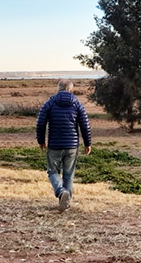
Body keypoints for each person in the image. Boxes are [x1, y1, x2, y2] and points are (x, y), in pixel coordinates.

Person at [35, 79, 92, 211]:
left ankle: (61, 192)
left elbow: (40, 123)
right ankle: (65, 203)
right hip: (72, 145)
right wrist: (87, 143)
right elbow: (85, 125)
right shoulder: (77, 104)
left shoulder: (49, 103)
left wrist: (41, 140)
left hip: (54, 144)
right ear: (71, 90)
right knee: (69, 174)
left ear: (58, 89)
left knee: (52, 171)